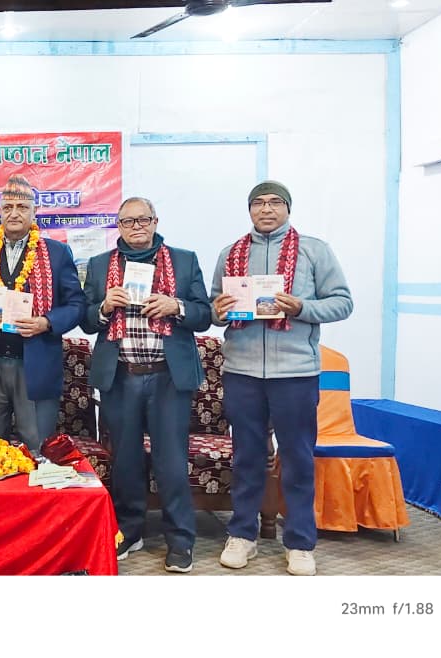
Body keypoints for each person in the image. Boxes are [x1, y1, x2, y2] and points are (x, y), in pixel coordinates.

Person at [209, 181, 353, 576]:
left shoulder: (314, 250)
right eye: (258, 203)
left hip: (295, 373)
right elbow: (212, 308)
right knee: (247, 457)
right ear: (249, 210)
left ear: (288, 208)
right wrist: (219, 310)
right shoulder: (230, 253)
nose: (267, 209)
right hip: (242, 371)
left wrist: (302, 307)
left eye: (275, 202)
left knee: (298, 458)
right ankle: (242, 535)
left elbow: (343, 302)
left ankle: (300, 542)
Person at [81, 197, 211, 572]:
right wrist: (104, 307)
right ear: (118, 226)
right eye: (128, 221)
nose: (136, 227)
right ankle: (129, 530)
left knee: (171, 462)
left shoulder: (184, 260)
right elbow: (85, 319)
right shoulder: (100, 264)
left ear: (155, 221)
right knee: (125, 461)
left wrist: (177, 307)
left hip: (167, 376)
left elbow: (205, 314)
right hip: (121, 376)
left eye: (143, 219)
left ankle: (180, 540)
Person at [0, 174, 85, 450]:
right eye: (8, 207)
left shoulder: (57, 253)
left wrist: (47, 322)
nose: (14, 214)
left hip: (35, 366)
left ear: (35, 212)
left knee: (38, 452)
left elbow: (77, 305)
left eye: (22, 207)